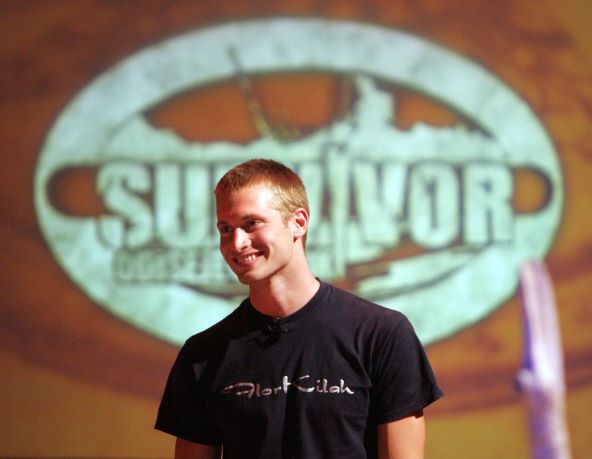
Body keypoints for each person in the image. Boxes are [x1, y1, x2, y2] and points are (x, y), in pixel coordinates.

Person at [155, 159, 443, 458]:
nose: (236, 243)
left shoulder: (381, 334)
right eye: (225, 229)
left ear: (299, 222)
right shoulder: (202, 354)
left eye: (252, 223)